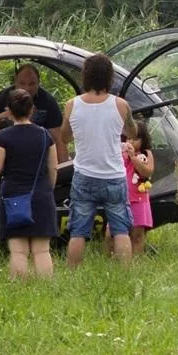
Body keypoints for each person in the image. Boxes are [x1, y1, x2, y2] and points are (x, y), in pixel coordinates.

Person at [0, 88, 58, 279]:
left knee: (18, 250)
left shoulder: (3, 137)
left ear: (8, 111)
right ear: (32, 109)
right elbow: (53, 168)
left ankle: (20, 287)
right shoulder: (45, 135)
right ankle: (46, 289)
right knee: (42, 250)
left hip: (14, 197)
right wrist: (48, 189)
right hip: (41, 195)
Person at [59, 52, 135, 267]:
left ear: (86, 76)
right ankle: (125, 273)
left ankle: (73, 272)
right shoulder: (121, 105)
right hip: (114, 176)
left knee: (78, 231)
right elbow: (132, 131)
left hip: (85, 175)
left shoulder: (72, 105)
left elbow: (64, 137)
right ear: (109, 77)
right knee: (121, 229)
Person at [0, 64, 68, 162]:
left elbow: (58, 139)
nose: (27, 88)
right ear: (15, 82)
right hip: (7, 154)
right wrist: (4, 116)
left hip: (38, 155)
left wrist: (63, 167)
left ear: (39, 83)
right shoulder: (2, 97)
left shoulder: (47, 101)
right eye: (22, 83)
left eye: (31, 84)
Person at [123, 118, 155, 257]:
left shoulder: (146, 154)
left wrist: (133, 158)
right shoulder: (121, 153)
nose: (131, 142)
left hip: (139, 199)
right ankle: (116, 258)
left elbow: (147, 172)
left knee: (137, 234)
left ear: (143, 139)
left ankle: (136, 259)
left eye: (135, 139)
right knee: (112, 233)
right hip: (121, 199)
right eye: (128, 138)